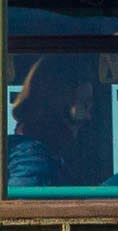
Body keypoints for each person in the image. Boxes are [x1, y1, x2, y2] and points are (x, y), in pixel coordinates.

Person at [8, 57, 94, 188]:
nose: (88, 117)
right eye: (84, 105)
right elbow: (18, 206)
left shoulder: (46, 156)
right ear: (57, 105)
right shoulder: (32, 157)